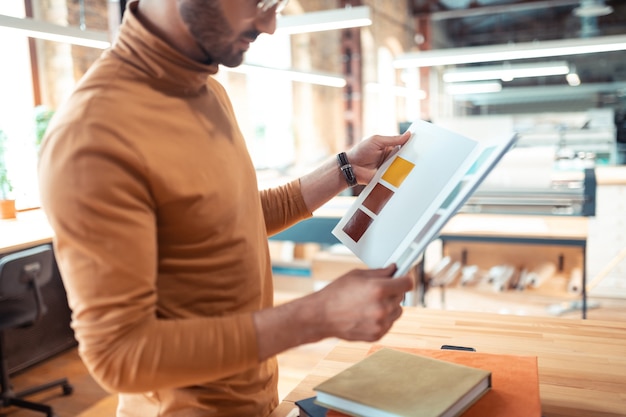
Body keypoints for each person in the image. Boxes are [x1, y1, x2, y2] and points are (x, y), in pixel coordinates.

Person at [37, 0, 414, 416]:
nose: (270, 25)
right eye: (260, 3)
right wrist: (316, 316)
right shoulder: (92, 135)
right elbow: (119, 356)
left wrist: (344, 169)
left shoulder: (207, 90)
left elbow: (227, 220)